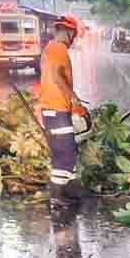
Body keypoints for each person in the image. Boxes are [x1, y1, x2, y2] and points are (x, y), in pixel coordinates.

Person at [39, 14, 88, 208]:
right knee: (65, 155)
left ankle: (70, 190)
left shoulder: (50, 48)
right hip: (56, 110)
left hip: (55, 109)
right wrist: (74, 99)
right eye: (73, 35)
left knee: (68, 151)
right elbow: (57, 77)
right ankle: (56, 196)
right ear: (69, 32)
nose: (73, 39)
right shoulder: (58, 49)